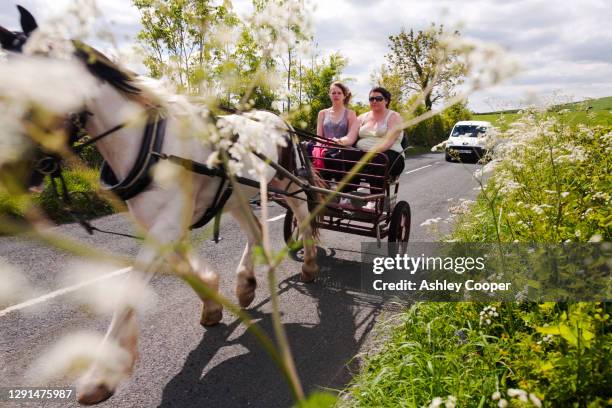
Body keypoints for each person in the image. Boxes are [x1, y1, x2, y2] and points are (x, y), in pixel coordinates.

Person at [335, 86, 405, 209]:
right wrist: (339, 141)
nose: (374, 101)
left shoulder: (394, 117)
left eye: (378, 98)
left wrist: (372, 152)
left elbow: (389, 141)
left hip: (391, 155)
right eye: (371, 99)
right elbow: (351, 137)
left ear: (386, 101)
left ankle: (375, 199)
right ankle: (348, 195)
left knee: (378, 159)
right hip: (365, 154)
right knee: (345, 154)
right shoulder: (362, 117)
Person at [311, 82, 358, 183]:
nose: (336, 95)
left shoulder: (350, 114)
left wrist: (338, 142)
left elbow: (351, 137)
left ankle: (342, 190)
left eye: (339, 93)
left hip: (342, 147)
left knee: (333, 155)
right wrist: (318, 149)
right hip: (324, 146)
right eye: (333, 93)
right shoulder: (322, 113)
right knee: (305, 148)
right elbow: (319, 136)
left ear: (344, 96)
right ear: (329, 95)